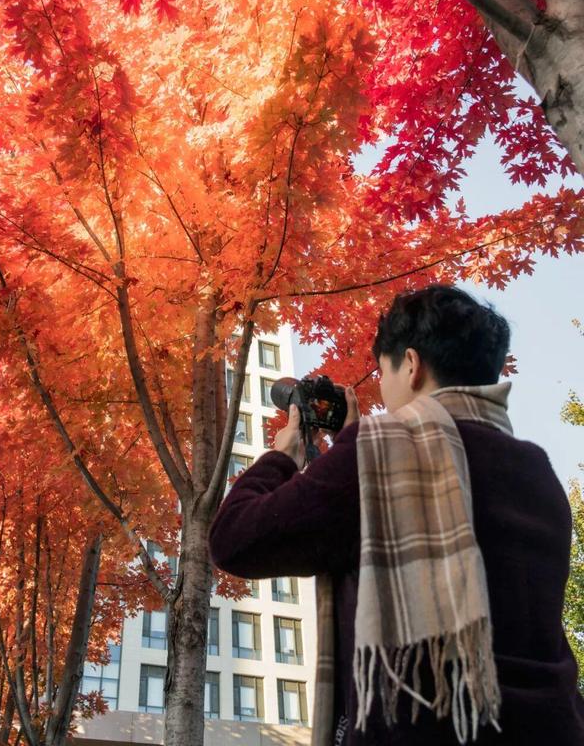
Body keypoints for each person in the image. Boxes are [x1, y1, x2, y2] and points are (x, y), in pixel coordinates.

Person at [209, 284, 584, 745]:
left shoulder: (377, 452)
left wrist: (284, 457)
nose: (383, 393)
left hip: (424, 730)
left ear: (411, 364)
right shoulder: (536, 470)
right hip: (553, 726)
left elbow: (233, 540)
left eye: (382, 372)